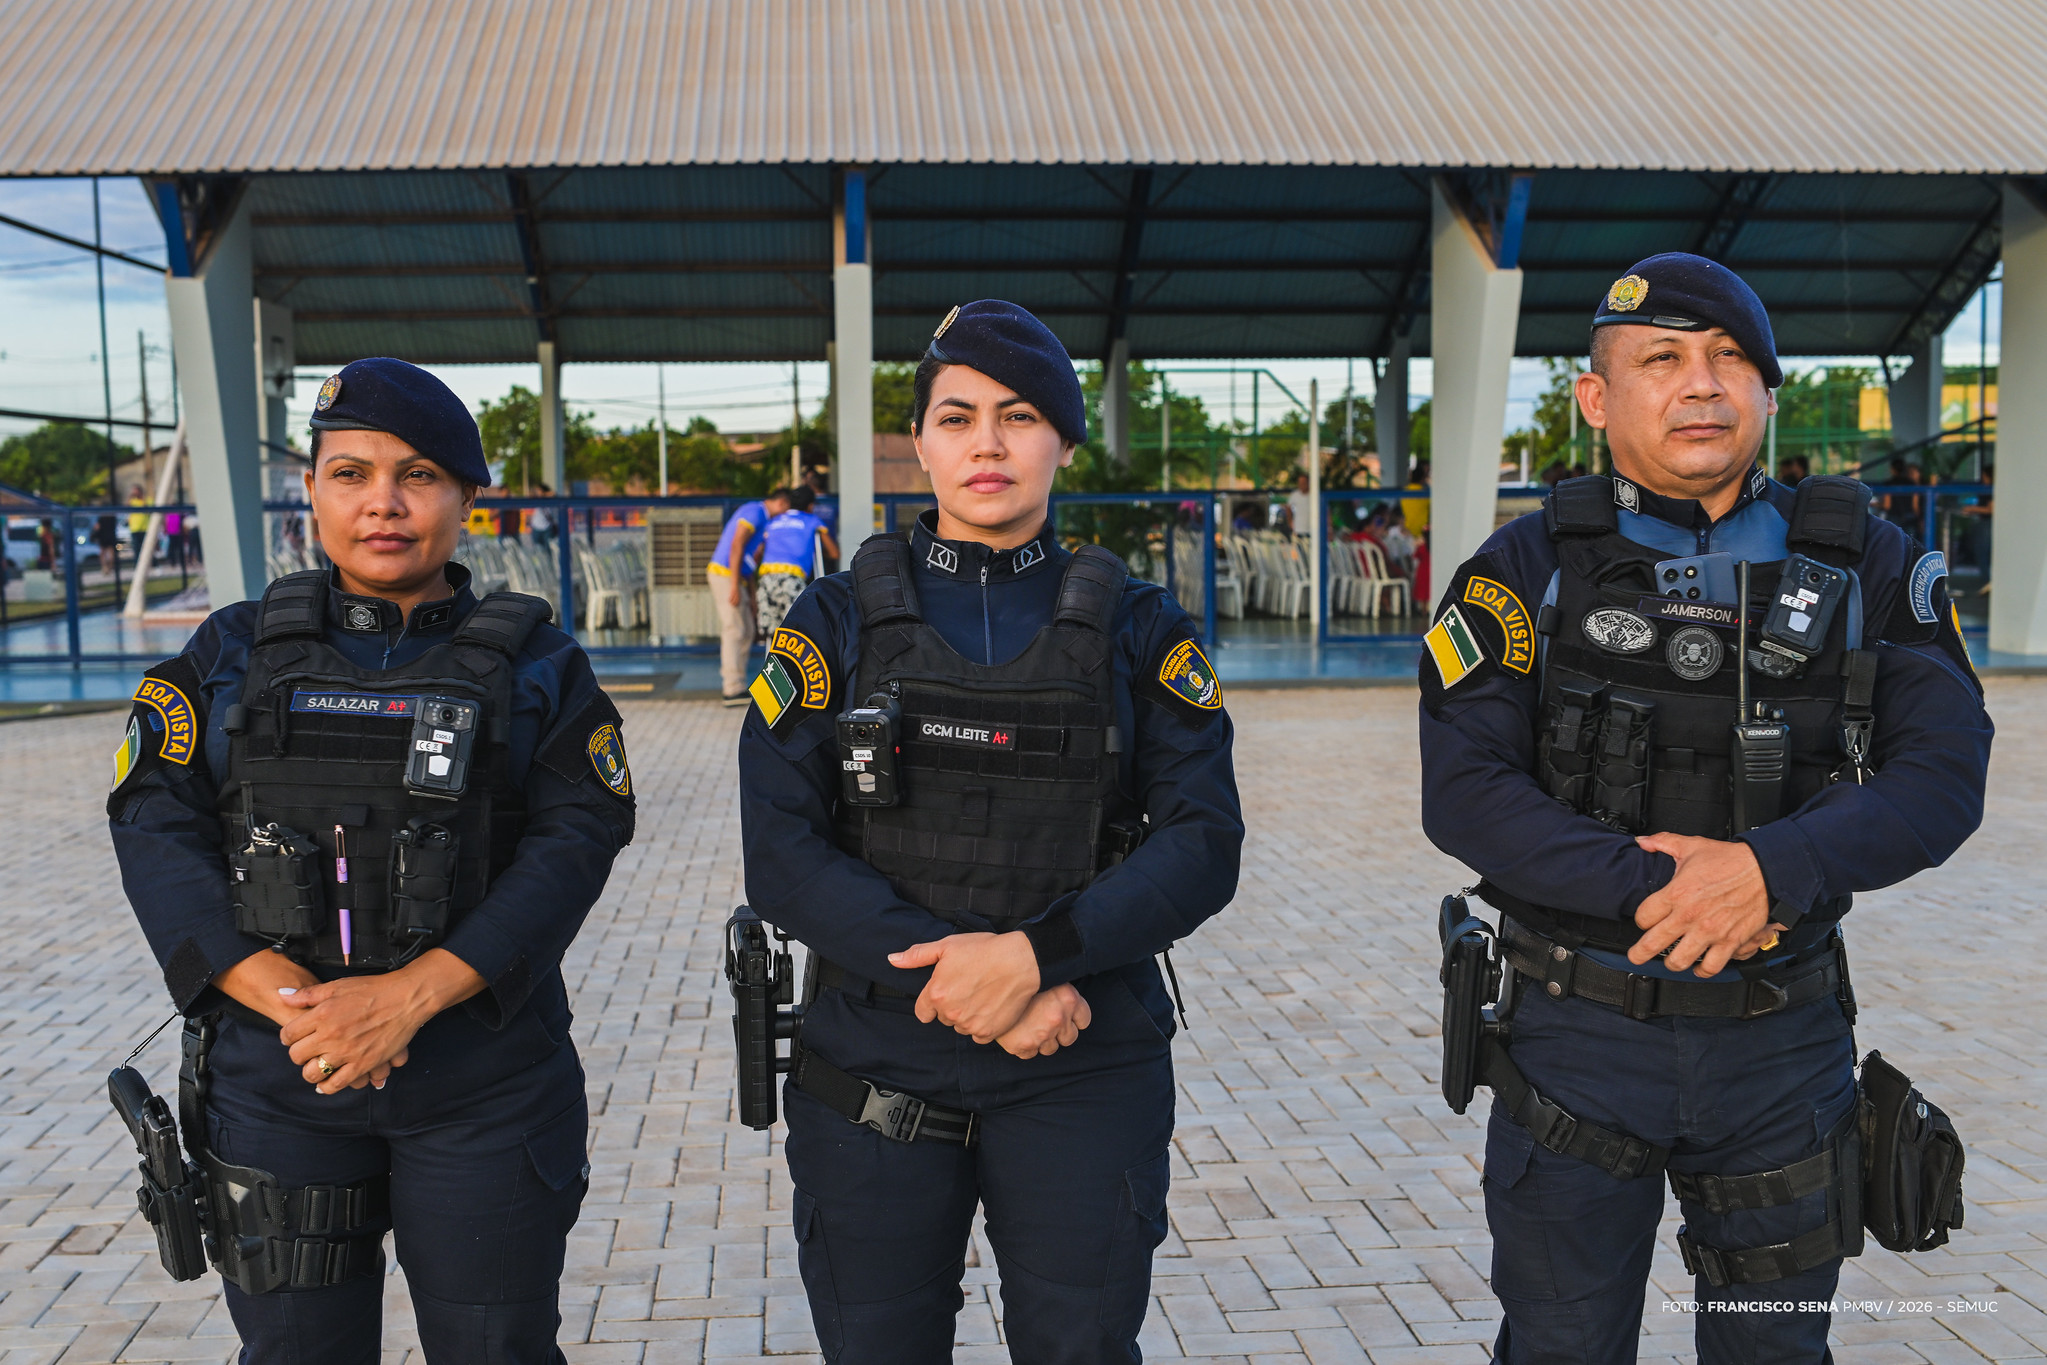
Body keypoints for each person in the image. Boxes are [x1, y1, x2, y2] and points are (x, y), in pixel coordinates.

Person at [1417, 254, 1992, 1363]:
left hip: (1780, 1048)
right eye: (1662, 359)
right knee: (1558, 1347)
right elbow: (1467, 792)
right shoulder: (1519, 569)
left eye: (1730, 358)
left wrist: (1770, 872)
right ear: (1596, 398)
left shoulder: (1872, 564)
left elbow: (1944, 771)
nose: (1700, 383)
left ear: (1767, 392)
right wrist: (1679, 892)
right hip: (1574, 1042)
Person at [739, 300, 1244, 1363]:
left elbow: (1200, 842)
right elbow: (781, 853)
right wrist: (981, 982)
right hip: (874, 1065)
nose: (987, 444)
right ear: (918, 441)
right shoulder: (830, 623)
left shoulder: (1140, 625)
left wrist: (1033, 958)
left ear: (1063, 439)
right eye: (957, 417)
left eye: (1019, 416)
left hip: (1080, 1057)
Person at [107, 358, 636, 1362]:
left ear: (469, 497)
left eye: (418, 474)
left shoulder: (542, 669)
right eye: (350, 474)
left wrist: (407, 999)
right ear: (311, 489)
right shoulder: (227, 654)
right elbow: (151, 823)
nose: (383, 503)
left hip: (482, 1083)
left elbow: (575, 843)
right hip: (279, 1077)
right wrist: (300, 1006)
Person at [709, 486, 793, 705]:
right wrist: (734, 586)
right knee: (735, 630)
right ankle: (731, 688)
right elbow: (737, 545)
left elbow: (748, 560)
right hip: (726, 575)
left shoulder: (761, 518)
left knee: (746, 630)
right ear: (782, 503)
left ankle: (737, 684)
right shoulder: (755, 512)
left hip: (737, 578)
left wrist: (751, 595)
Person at [753, 484, 839, 637]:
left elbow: (757, 552)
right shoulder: (813, 521)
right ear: (810, 506)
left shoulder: (773, 522)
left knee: (772, 632)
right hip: (791, 579)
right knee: (797, 629)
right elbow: (834, 553)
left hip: (766, 579)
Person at [1400, 457, 1431, 536]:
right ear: (1423, 477)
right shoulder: (1425, 493)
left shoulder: (1404, 491)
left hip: (1408, 532)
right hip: (1422, 532)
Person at [1286, 471, 1312, 539]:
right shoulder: (1295, 495)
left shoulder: (1314, 495)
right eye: (1300, 482)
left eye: (1303, 482)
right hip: (1298, 529)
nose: (1301, 484)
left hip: (1312, 529)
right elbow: (1288, 507)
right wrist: (1290, 522)